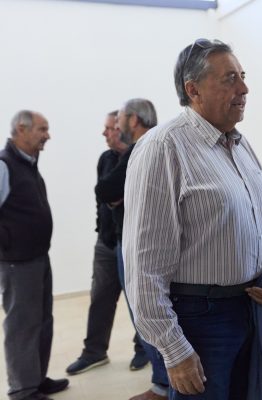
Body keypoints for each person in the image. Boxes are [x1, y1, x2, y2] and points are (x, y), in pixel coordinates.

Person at [123, 39, 262, 400]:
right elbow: (143, 266)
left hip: (248, 310)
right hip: (200, 321)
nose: (244, 88)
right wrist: (173, 350)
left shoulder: (240, 145)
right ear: (193, 89)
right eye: (230, 79)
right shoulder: (163, 148)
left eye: (242, 76)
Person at [95, 99, 169, 400]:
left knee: (147, 313)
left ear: (134, 120)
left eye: (120, 119)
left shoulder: (142, 148)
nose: (116, 126)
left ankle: (163, 385)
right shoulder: (159, 144)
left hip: (140, 246)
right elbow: (108, 193)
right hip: (147, 242)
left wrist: (121, 194)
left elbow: (106, 190)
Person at [66, 111, 149, 375]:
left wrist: (116, 195)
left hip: (131, 243)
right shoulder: (106, 159)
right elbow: (103, 196)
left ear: (121, 129)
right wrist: (102, 226)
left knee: (139, 301)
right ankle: (94, 352)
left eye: (109, 128)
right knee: (100, 298)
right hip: (106, 241)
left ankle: (143, 349)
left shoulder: (140, 156)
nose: (104, 133)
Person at [0, 110, 69, 400]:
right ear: (21, 129)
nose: (47, 135)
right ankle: (22, 390)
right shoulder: (4, 165)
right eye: (42, 129)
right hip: (18, 262)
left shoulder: (27, 163)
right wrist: (8, 243)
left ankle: (36, 379)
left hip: (38, 257)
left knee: (42, 321)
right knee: (22, 326)